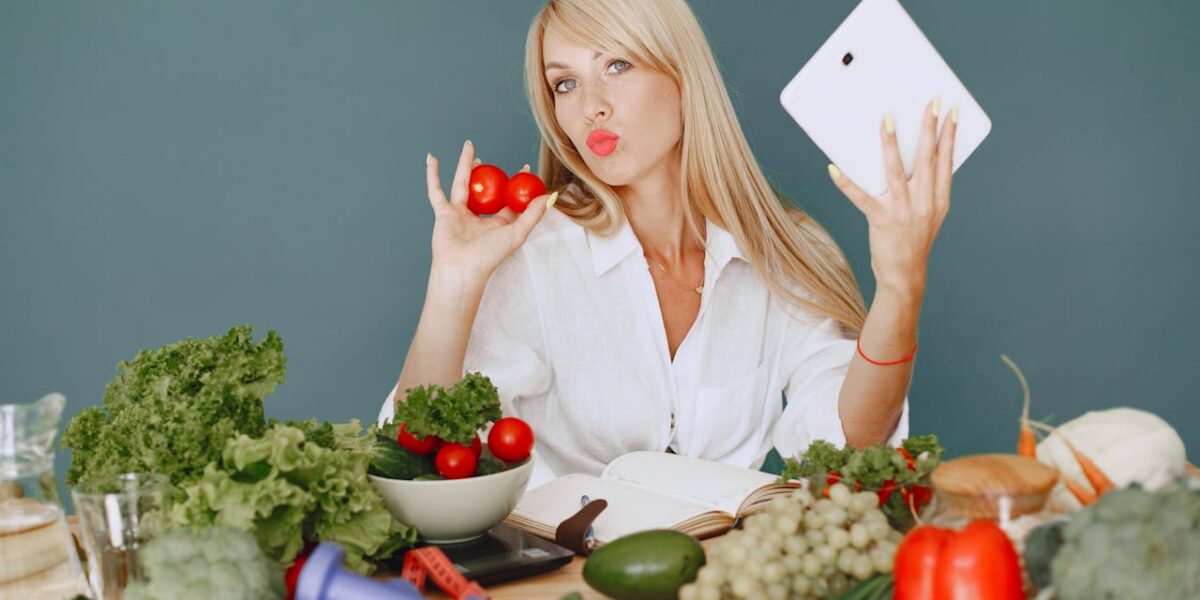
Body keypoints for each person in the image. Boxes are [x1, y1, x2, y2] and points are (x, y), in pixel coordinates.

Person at [380, 0, 957, 488]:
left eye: (618, 63)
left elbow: (851, 440)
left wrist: (901, 286)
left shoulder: (783, 252)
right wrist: (454, 284)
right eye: (566, 83)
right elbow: (417, 450)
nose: (591, 106)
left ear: (683, 75)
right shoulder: (535, 255)